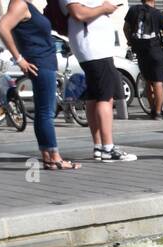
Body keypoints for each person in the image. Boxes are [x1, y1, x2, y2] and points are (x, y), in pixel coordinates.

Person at [0, 0, 79, 169]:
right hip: (40, 63)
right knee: (46, 112)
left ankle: (48, 157)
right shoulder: (20, 4)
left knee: (43, 112)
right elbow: (1, 27)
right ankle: (55, 157)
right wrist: (19, 59)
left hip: (43, 62)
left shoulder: (28, 5)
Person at [59, 0, 135, 161]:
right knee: (105, 97)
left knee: (94, 97)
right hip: (94, 50)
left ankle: (99, 146)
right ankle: (108, 148)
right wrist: (104, 8)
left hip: (93, 48)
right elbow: (78, 13)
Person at [124, 0, 163, 119]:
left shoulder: (133, 10)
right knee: (158, 82)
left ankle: (152, 110)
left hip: (141, 51)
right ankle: (158, 112)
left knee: (148, 81)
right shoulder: (159, 14)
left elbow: (125, 28)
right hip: (155, 51)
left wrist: (130, 41)